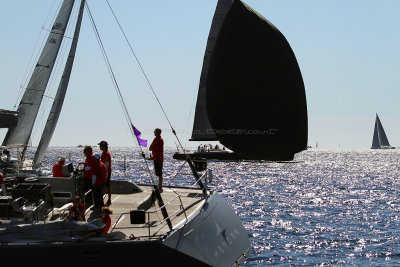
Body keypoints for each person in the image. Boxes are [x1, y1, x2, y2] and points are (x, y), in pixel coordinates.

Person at [149, 128, 164, 192]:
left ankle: (160, 188)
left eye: (155, 132)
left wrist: (151, 150)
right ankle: (159, 185)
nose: (154, 133)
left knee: (159, 173)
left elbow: (150, 148)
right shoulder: (161, 139)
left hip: (157, 159)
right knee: (159, 173)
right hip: (160, 158)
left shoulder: (156, 140)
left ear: (157, 133)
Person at [99, 141, 112, 206]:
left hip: (106, 173)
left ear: (103, 146)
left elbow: (106, 165)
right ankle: (107, 200)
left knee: (106, 187)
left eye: (100, 145)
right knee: (107, 186)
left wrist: (105, 175)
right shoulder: (104, 153)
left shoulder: (106, 154)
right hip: (105, 172)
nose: (99, 147)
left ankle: (109, 200)